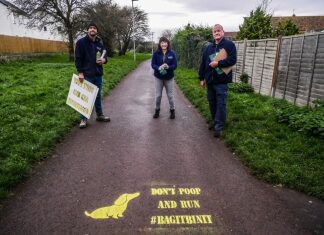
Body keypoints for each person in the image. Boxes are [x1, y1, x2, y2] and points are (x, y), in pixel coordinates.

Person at [198, 24, 237, 138]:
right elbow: (203, 64)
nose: (217, 33)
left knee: (221, 103)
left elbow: (233, 60)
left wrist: (218, 63)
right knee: (212, 102)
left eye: (219, 31)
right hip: (210, 80)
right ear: (213, 34)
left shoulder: (229, 45)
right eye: (215, 32)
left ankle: (219, 126)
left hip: (222, 81)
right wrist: (201, 78)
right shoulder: (208, 48)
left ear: (223, 32)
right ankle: (216, 121)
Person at [75, 22, 110, 129]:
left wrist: (103, 60)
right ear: (87, 30)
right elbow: (78, 58)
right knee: (86, 97)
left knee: (98, 96)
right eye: (90, 28)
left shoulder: (100, 43)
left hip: (98, 74)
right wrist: (80, 72)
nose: (92, 29)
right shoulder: (81, 42)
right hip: (86, 74)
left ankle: (99, 115)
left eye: (94, 28)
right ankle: (83, 119)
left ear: (96, 31)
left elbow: (105, 58)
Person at [151, 37, 177, 119]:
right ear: (160, 44)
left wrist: (168, 67)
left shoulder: (172, 53)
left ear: (168, 43)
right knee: (158, 95)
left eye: (165, 42)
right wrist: (158, 68)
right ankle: (157, 110)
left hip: (169, 78)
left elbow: (175, 65)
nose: (164, 44)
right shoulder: (156, 53)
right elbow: (153, 64)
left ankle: (172, 110)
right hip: (158, 77)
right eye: (162, 43)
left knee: (170, 96)